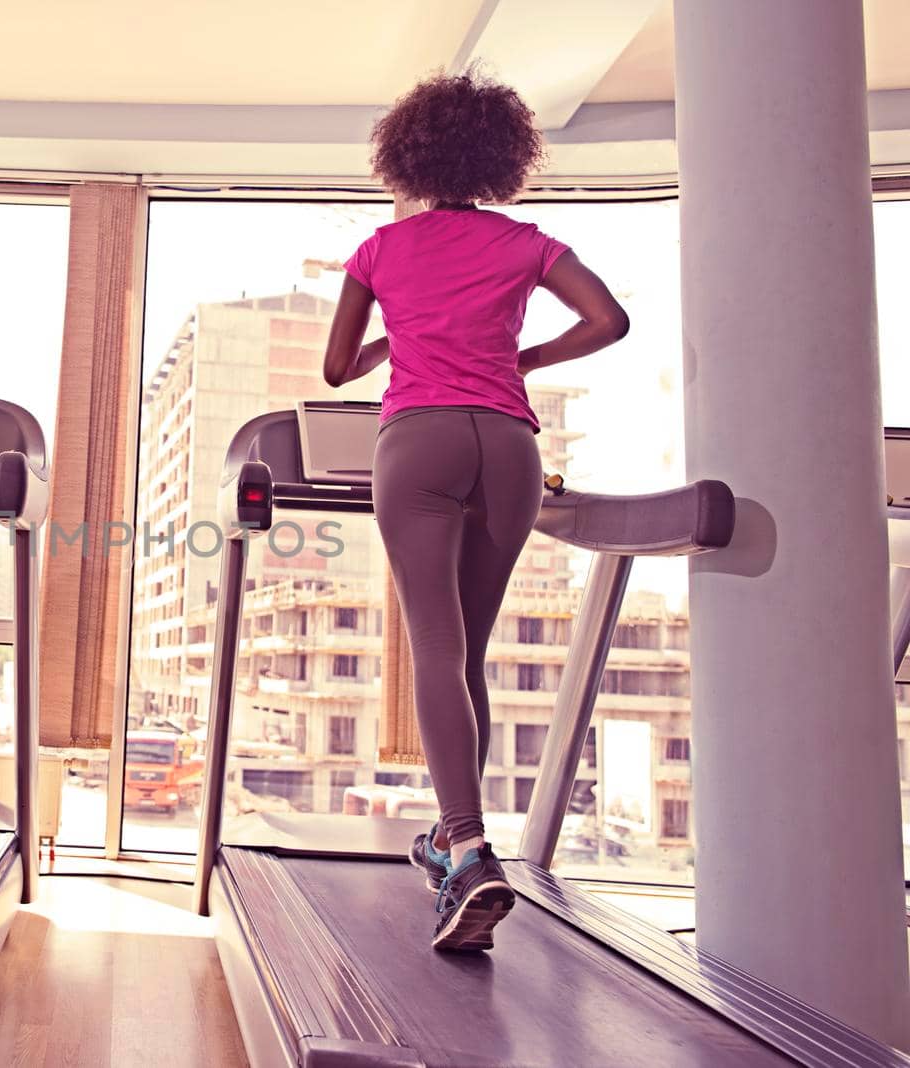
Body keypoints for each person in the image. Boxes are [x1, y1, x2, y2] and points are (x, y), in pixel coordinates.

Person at [322, 69, 629, 951]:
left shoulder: (382, 250)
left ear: (407, 155)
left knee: (437, 650)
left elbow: (339, 370)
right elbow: (609, 322)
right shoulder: (526, 241)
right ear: (503, 156)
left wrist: (408, 331)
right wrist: (523, 356)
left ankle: (466, 849)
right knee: (471, 657)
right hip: (509, 446)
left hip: (418, 442)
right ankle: (450, 841)